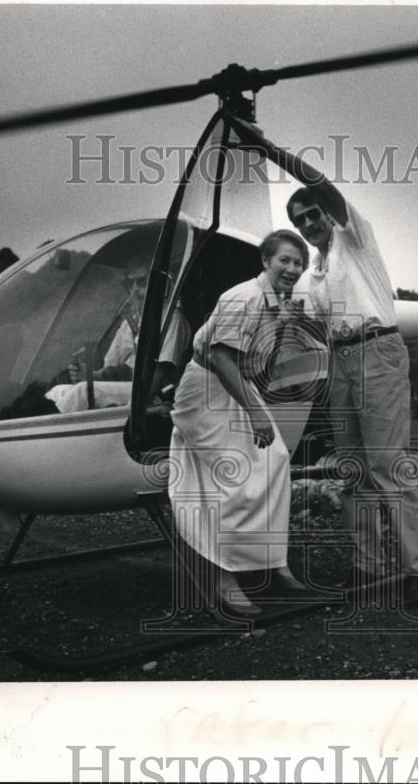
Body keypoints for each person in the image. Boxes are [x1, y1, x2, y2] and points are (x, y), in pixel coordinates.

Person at [227, 116, 418, 605]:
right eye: (299, 221)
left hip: (378, 352)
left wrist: (266, 148)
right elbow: (297, 324)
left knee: (389, 468)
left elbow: (318, 182)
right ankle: (367, 566)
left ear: (328, 212)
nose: (308, 224)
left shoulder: (353, 239)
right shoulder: (311, 272)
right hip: (340, 362)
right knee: (352, 472)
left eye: (312, 214)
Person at [168, 230, 309, 617]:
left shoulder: (273, 302)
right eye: (285, 260)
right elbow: (221, 357)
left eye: (298, 263)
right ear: (266, 261)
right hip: (204, 390)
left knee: (276, 458)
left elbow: (254, 361)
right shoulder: (242, 297)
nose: (292, 269)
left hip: (232, 384)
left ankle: (275, 564)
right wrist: (258, 413)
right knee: (235, 477)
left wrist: (285, 324)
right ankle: (227, 582)